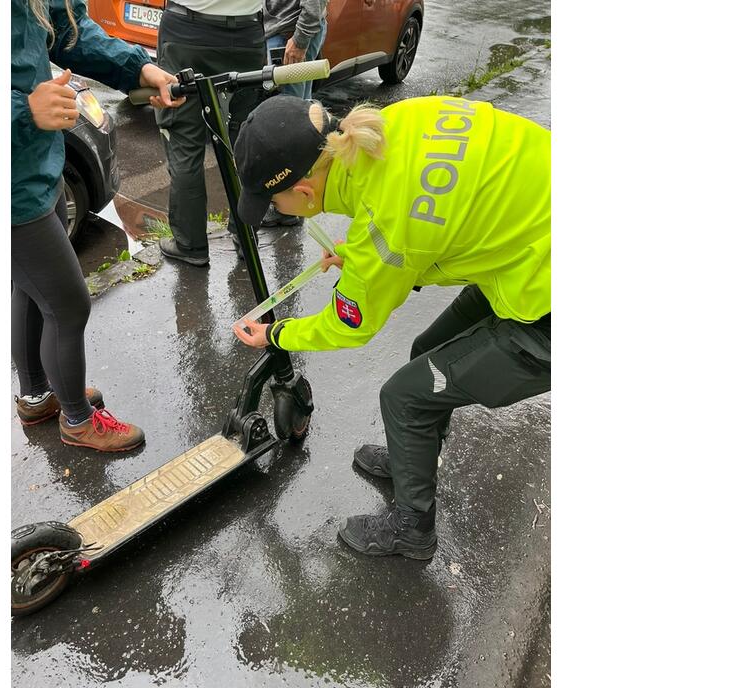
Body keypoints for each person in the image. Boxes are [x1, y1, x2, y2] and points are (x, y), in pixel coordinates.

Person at [231, 94, 550, 560]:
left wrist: (274, 335)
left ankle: (412, 528)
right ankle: (413, 459)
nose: (274, 208)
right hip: (531, 248)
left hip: (549, 300)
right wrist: (360, 256)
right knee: (428, 349)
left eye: (272, 200)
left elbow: (348, 325)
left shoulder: (383, 225)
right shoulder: (388, 124)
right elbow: (427, 228)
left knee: (404, 397)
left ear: (304, 192)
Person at [12, 0, 183, 452]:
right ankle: (77, 420)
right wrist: (22, 109)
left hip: (37, 161)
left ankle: (37, 396)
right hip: (10, 188)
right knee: (68, 306)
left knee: (32, 289)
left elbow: (67, 27)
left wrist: (139, 68)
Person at [153, 1, 268, 267]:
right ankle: (246, 234)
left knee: (185, 140)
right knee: (246, 138)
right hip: (247, 33)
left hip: (186, 33)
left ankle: (190, 244)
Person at [259, 0, 329, 227]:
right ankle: (297, 201)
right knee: (301, 116)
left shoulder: (296, 37)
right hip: (290, 30)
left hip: (291, 34)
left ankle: (288, 207)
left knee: (287, 122)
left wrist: (300, 39)